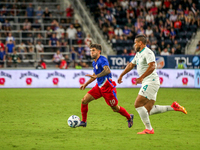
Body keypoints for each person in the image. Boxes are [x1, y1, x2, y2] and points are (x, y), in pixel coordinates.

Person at [117, 35, 187, 134]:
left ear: (140, 43)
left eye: (135, 42)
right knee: (147, 111)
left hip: (151, 81)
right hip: (149, 82)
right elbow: (131, 65)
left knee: (138, 104)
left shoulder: (148, 52)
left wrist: (141, 77)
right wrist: (121, 75)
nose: (134, 44)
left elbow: (153, 66)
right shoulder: (138, 54)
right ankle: (174, 107)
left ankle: (149, 129)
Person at [79, 43, 133, 128]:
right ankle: (83, 121)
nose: (91, 52)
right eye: (90, 51)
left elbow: (107, 71)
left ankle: (129, 117)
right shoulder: (94, 62)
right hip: (99, 87)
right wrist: (85, 84)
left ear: (99, 51)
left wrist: (96, 76)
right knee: (84, 100)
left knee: (115, 109)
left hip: (107, 88)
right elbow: (94, 75)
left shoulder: (102, 59)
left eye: (93, 50)